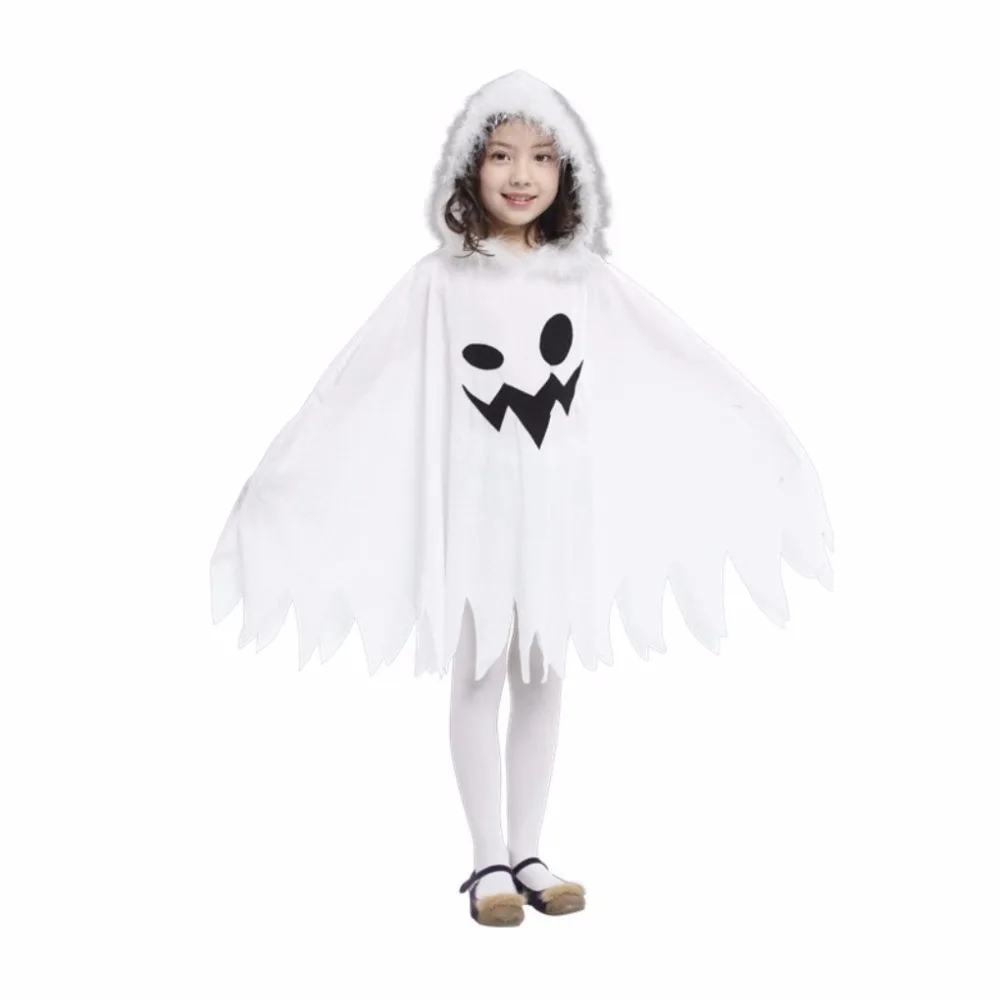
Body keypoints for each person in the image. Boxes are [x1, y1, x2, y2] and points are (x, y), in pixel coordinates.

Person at [210, 70, 834, 927]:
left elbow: (672, 358)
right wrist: (288, 470)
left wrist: (758, 435)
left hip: (556, 517)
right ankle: (487, 861)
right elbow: (359, 380)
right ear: (470, 167)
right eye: (501, 154)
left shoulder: (584, 283)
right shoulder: (441, 282)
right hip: (477, 517)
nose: (520, 174)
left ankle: (532, 851)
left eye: (542, 157)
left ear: (567, 172)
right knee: (479, 671)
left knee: (543, 675)